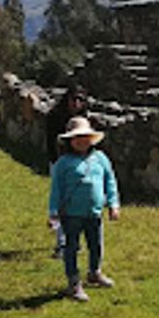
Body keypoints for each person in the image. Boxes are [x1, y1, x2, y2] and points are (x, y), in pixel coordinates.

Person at [48, 117, 120, 302]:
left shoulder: (100, 159)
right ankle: (73, 282)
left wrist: (113, 204)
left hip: (94, 212)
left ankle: (94, 272)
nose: (82, 141)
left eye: (85, 137)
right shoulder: (63, 163)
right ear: (70, 141)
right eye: (77, 138)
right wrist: (53, 212)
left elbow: (110, 181)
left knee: (96, 245)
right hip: (71, 214)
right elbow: (56, 189)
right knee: (71, 247)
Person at [46, 86, 88, 257]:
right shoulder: (55, 117)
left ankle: (75, 241)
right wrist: (58, 166)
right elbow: (51, 144)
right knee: (61, 202)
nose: (76, 103)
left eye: (80, 100)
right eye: (73, 99)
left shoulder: (84, 119)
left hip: (79, 166)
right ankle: (62, 243)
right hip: (60, 164)